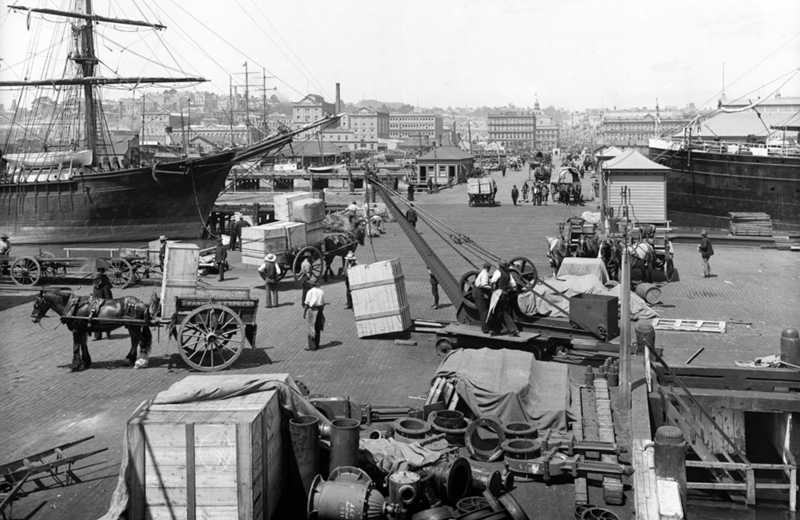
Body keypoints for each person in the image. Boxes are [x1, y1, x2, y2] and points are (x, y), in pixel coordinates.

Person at [489, 260, 519, 336]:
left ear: (500, 266)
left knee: (495, 311)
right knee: (504, 311)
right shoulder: (508, 274)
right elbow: (513, 285)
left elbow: (493, 281)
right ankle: (512, 329)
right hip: (505, 294)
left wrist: (492, 290)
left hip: (498, 294)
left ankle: (498, 330)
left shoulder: (498, 272)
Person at [303, 281, 325, 351]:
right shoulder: (321, 291)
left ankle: (312, 345)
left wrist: (304, 312)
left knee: (311, 328)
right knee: (318, 327)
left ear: (311, 284)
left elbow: (307, 303)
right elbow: (323, 303)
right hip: (319, 310)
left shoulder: (310, 292)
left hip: (312, 310)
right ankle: (317, 344)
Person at [92, 268, 113, 340]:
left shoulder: (105, 287)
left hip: (104, 306)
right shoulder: (95, 287)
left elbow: (108, 298)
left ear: (99, 280)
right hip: (97, 305)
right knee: (95, 320)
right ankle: (98, 336)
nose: (94, 282)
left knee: (106, 320)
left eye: (95, 280)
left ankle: (108, 332)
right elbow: (94, 296)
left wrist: (104, 305)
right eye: (93, 280)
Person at [474, 262, 493, 333]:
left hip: (477, 292)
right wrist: (492, 288)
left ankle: (487, 326)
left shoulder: (483, 272)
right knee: (483, 312)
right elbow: (484, 285)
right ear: (489, 268)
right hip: (478, 293)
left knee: (484, 310)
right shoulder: (485, 274)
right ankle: (485, 329)